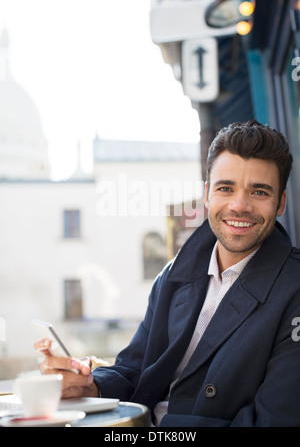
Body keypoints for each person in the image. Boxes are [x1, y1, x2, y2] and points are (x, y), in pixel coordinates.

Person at [35, 119, 300, 427]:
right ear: (207, 195)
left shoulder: (293, 289)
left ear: (280, 202)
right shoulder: (173, 276)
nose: (239, 206)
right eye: (225, 188)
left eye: (259, 192)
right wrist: (90, 385)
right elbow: (135, 368)